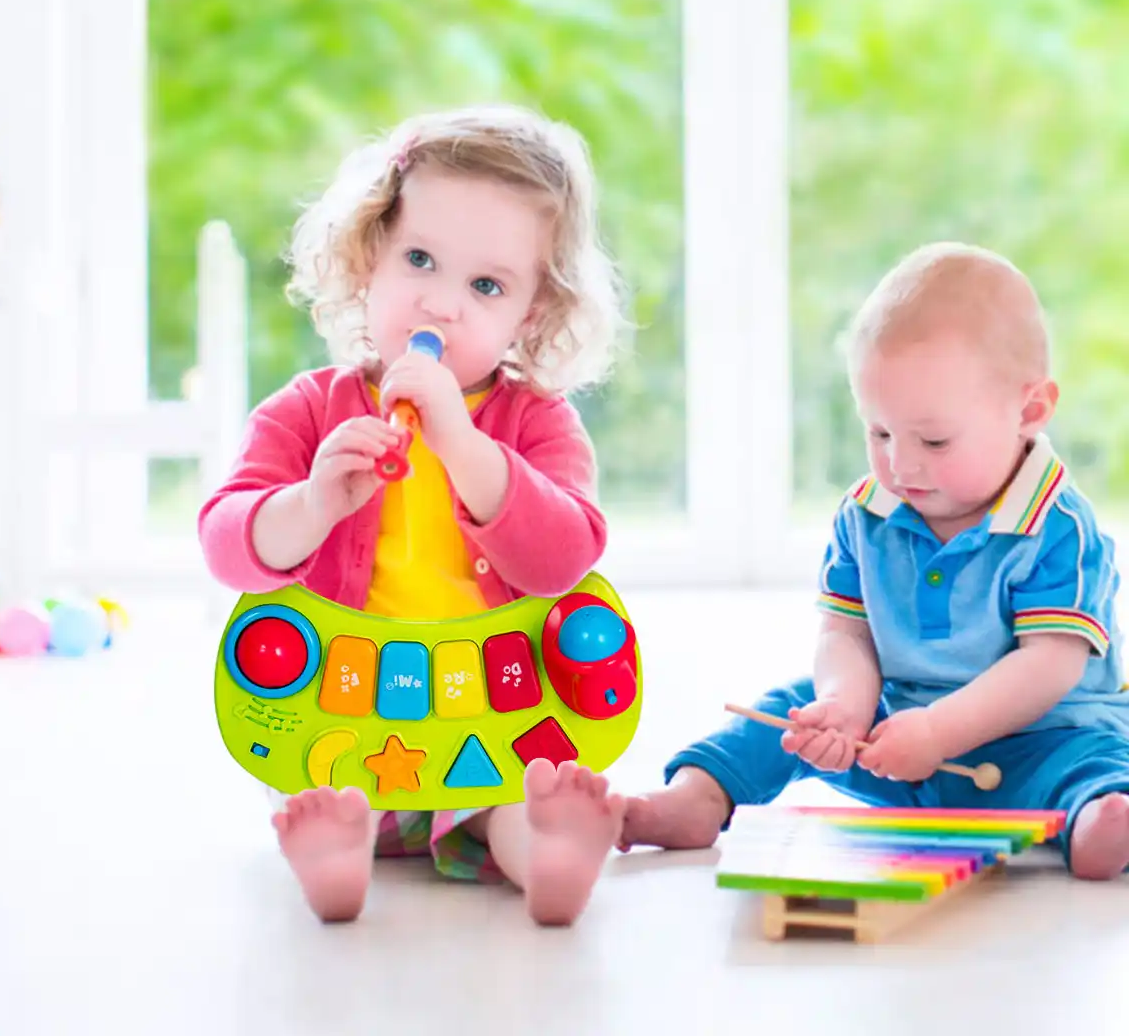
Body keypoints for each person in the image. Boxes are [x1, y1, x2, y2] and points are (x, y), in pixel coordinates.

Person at [199, 104, 630, 923]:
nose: (441, 304)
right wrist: (313, 503)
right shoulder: (306, 410)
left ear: (531, 313)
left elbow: (563, 558)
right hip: (348, 712)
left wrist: (462, 442)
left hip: (489, 719)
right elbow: (226, 542)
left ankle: (548, 860)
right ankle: (335, 856)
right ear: (370, 258)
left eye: (486, 285)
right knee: (328, 791)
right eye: (421, 260)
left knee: (516, 805)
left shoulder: (538, 422)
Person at [620, 242, 1129, 880]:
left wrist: (940, 732)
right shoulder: (867, 514)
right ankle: (697, 797)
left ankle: (1096, 821)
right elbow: (846, 631)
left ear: (1028, 411)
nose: (902, 464)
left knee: (1095, 762)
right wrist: (846, 704)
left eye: (934, 440)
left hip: (1035, 739)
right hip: (894, 736)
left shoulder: (1058, 527)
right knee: (789, 711)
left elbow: (1050, 664)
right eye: (879, 433)